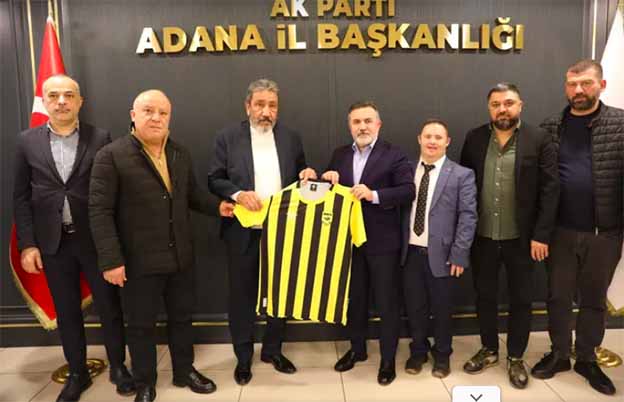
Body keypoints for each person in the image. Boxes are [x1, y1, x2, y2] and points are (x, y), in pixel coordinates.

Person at [89, 89, 231, 402]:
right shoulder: (111, 155)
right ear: (133, 115)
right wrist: (111, 261)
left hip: (180, 256)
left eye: (163, 113)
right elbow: (99, 212)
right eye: (148, 111)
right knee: (141, 326)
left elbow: (192, 195)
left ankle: (184, 371)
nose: (156, 118)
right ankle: (145, 382)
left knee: (182, 318)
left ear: (170, 118)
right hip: (137, 262)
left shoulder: (179, 153)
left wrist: (220, 207)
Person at [13, 74, 134, 402]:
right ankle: (78, 373)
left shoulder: (100, 137)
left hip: (96, 240)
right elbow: (21, 198)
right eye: (54, 95)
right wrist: (27, 244)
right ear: (45, 102)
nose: (62, 101)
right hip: (53, 243)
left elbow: (113, 191)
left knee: (110, 307)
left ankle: (118, 367)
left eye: (69, 95)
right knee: (66, 311)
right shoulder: (26, 142)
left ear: (80, 101)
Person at [207, 78, 317, 386]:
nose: (266, 111)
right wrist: (238, 194)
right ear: (248, 106)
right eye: (260, 104)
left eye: (272, 105)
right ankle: (243, 357)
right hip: (242, 231)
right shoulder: (227, 137)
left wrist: (308, 174)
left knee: (280, 294)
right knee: (241, 296)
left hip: (283, 232)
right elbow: (214, 179)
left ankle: (272, 350)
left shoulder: (291, 138)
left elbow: (301, 176)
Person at [531, 59, 624, 396]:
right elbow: (541, 185)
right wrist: (540, 232)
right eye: (572, 84)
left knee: (594, 300)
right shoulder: (550, 126)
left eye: (585, 83)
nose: (578, 90)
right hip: (560, 233)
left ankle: (586, 357)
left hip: (605, 234)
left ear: (602, 85)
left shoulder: (620, 124)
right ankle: (559, 354)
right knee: (557, 297)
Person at [460, 83, 559, 389]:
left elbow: (550, 189)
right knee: (485, 296)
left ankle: (516, 356)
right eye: (495, 104)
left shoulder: (539, 139)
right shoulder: (474, 138)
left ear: (520, 105)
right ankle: (489, 349)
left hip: (523, 239)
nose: (502, 109)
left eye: (508, 103)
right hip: (483, 237)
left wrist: (542, 234)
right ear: (489, 107)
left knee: (522, 299)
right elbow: (464, 186)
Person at [322, 100, 415, 386]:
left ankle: (387, 360)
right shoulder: (339, 155)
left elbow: (407, 191)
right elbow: (328, 193)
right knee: (355, 301)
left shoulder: (394, 154)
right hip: (348, 242)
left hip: (382, 243)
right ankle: (357, 350)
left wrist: (373, 195)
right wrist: (326, 178)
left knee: (387, 303)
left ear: (378, 125)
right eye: (356, 122)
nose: (362, 126)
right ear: (349, 125)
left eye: (367, 121)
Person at [401, 119, 477, 378]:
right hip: (410, 253)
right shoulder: (406, 170)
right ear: (419, 139)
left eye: (438, 137)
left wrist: (459, 253)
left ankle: (442, 354)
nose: (432, 141)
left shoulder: (461, 174)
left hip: (444, 256)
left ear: (447, 142)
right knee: (415, 307)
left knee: (443, 309)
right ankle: (418, 351)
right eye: (428, 136)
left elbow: (468, 216)